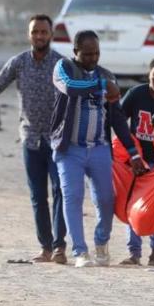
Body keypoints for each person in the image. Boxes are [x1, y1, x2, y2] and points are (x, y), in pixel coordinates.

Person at [0, 15, 68, 264]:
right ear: (29, 35)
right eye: (35, 32)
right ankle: (45, 248)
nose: (39, 36)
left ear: (51, 34)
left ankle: (60, 247)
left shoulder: (62, 64)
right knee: (38, 196)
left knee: (60, 191)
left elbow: (78, 96)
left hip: (57, 141)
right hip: (30, 140)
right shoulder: (18, 63)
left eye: (43, 32)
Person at [51, 30, 146, 268]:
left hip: (100, 148)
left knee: (106, 200)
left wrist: (132, 152)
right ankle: (80, 252)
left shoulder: (106, 75)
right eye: (87, 53)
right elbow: (72, 88)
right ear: (75, 52)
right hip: (69, 149)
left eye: (97, 53)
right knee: (72, 197)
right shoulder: (63, 68)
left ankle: (101, 242)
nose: (93, 58)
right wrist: (103, 86)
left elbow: (117, 119)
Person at [118, 57, 154, 267]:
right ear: (148, 74)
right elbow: (119, 120)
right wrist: (127, 151)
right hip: (137, 160)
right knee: (133, 205)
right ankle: (134, 253)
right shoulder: (136, 94)